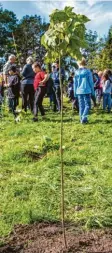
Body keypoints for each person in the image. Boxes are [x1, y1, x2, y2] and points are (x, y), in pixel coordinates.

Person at [74, 58, 94, 124]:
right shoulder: (88, 71)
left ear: (78, 63)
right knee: (87, 105)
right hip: (87, 90)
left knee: (81, 106)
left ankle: (81, 119)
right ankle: (83, 118)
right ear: (84, 62)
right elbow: (91, 82)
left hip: (79, 91)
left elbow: (75, 83)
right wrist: (93, 91)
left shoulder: (76, 72)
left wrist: (75, 92)